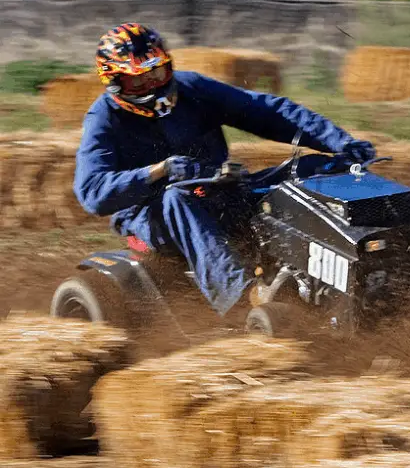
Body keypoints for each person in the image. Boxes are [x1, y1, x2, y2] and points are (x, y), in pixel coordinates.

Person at [73, 23, 376, 316]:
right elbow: (91, 191)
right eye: (137, 81)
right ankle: (244, 297)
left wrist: (341, 144)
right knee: (176, 198)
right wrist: (159, 171)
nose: (151, 85)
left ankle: (368, 256)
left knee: (309, 167)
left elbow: (267, 111)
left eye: (157, 72)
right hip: (150, 214)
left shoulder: (192, 88)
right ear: (114, 83)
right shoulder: (103, 119)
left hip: (220, 187)